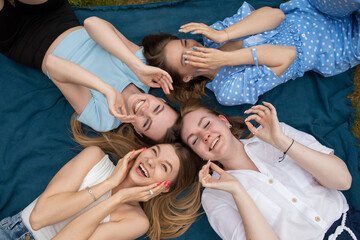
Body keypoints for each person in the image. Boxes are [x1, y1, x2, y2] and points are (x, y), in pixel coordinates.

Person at [169, 99, 359, 239]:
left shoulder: (278, 132)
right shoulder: (214, 196)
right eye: (195, 140)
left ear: (224, 121)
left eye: (207, 124)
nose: (206, 136)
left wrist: (283, 142)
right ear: (199, 155)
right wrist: (237, 190)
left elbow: (342, 181)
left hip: (348, 223)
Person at [0, 0, 178, 141]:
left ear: (138, 132)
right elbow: (92, 23)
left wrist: (105, 89)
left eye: (146, 123)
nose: (144, 110)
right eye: (156, 109)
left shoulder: (104, 119)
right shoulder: (143, 71)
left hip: (25, 42)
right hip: (58, 17)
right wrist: (136, 65)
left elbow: (51, 64)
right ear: (161, 100)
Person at [142, 0, 360, 104]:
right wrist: (226, 59)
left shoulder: (213, 35)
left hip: (310, 10)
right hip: (334, 46)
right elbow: (287, 55)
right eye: (185, 57)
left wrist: (225, 36)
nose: (193, 47)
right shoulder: (228, 91)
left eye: (185, 42)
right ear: (186, 77)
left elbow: (276, 16)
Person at [0, 140, 203, 240]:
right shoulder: (94, 158)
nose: (151, 161)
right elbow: (38, 218)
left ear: (165, 188)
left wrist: (118, 198)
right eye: (154, 151)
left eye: (164, 167)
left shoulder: (137, 222)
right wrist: (108, 184)